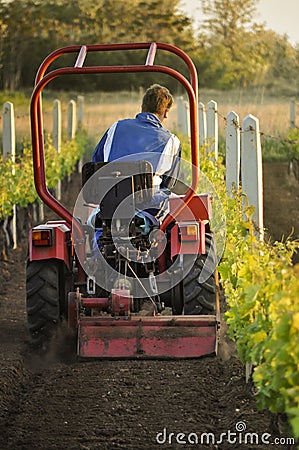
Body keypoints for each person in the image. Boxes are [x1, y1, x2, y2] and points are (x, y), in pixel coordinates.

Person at [90, 84, 181, 232]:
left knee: (95, 222)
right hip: (148, 207)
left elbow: (95, 162)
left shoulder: (115, 128)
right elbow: (169, 183)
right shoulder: (171, 140)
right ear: (165, 112)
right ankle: (158, 243)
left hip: (110, 203)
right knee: (175, 204)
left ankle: (97, 243)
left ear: (143, 107)